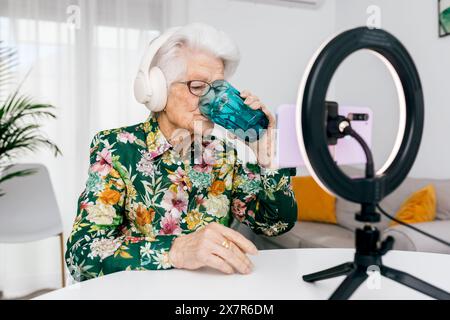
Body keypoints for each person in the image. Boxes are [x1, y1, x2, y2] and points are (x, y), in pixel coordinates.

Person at [65, 22, 297, 282]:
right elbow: (81, 255)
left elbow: (274, 224)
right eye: (197, 87)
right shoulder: (116, 148)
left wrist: (267, 158)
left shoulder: (224, 156)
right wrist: (176, 250)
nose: (213, 102)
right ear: (159, 90)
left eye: (219, 88)